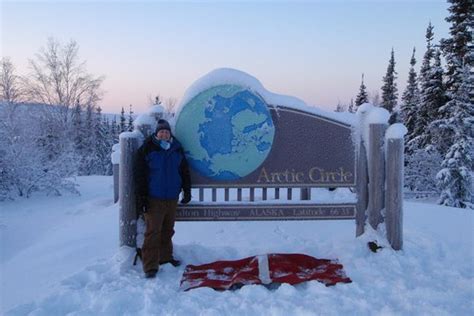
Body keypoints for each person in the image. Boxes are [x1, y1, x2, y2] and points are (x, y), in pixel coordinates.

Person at [135, 119, 191, 279]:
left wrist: (186, 191)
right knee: (153, 232)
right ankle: (150, 266)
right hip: (154, 198)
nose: (164, 134)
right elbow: (139, 176)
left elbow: (184, 172)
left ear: (169, 134)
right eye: (161, 132)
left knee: (168, 230)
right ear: (156, 133)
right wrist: (143, 198)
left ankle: (166, 258)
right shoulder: (147, 149)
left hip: (171, 197)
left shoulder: (176, 149)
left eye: (166, 132)